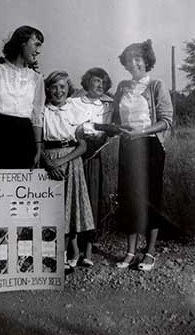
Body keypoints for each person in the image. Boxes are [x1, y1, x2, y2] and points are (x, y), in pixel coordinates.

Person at [103, 39, 173, 271]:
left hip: (150, 147)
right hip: (127, 147)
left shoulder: (156, 85)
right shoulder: (123, 87)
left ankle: (150, 252)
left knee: (151, 198)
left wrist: (141, 131)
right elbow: (114, 118)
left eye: (138, 58)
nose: (134, 63)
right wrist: (114, 129)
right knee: (128, 199)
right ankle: (131, 252)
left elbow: (166, 121)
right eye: (130, 59)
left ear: (147, 61)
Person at [0, 25, 45, 171]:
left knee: (21, 188)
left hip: (25, 139)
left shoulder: (36, 79)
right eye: (36, 44)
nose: (38, 51)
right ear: (22, 42)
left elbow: (37, 117)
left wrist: (38, 151)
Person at [41, 71, 95, 269]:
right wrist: (49, 163)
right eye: (54, 87)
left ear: (68, 89)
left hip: (71, 161)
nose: (58, 91)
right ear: (48, 89)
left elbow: (82, 146)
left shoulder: (74, 110)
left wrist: (62, 161)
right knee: (54, 209)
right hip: (49, 161)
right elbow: (38, 143)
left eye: (62, 87)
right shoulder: (43, 111)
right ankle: (58, 253)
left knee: (70, 207)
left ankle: (72, 251)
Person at [70, 68, 113, 234]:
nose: (100, 85)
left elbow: (105, 132)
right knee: (75, 194)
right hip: (74, 153)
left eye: (103, 82)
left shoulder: (108, 105)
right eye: (96, 80)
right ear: (87, 82)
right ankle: (73, 239)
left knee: (93, 194)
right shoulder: (73, 102)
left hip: (95, 154)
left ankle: (90, 238)